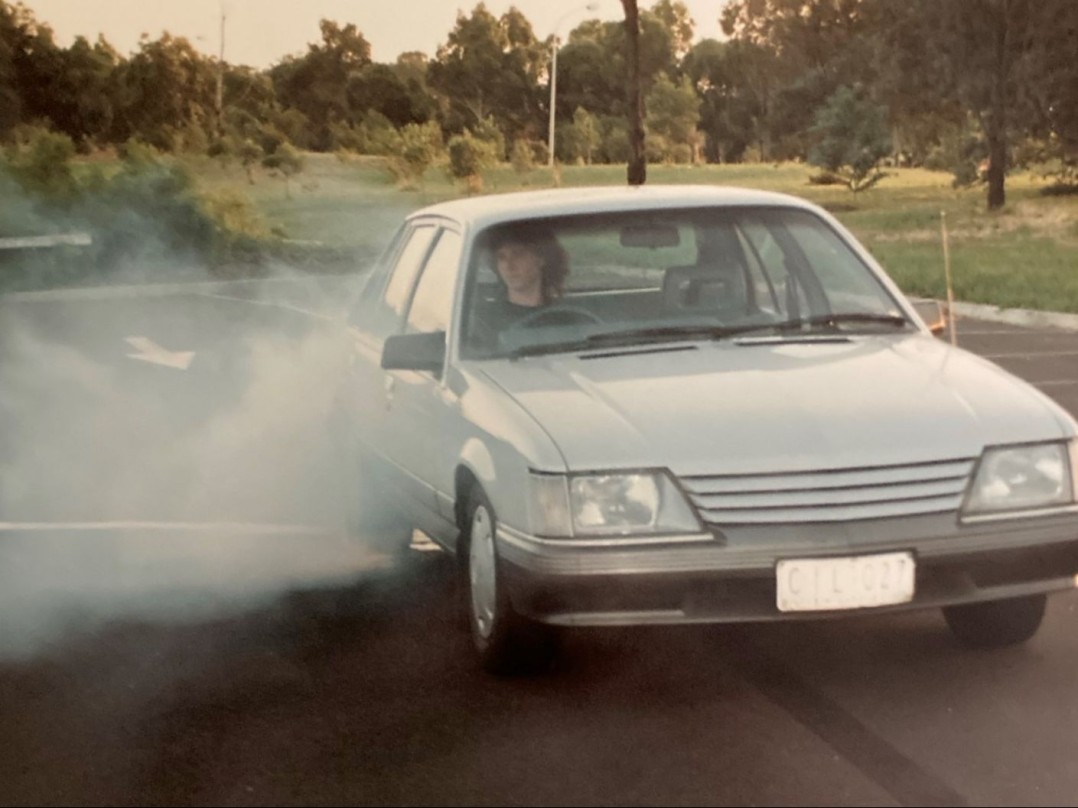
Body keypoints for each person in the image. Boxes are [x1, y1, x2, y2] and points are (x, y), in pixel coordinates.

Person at [467, 224, 570, 350]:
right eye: (501, 257)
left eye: (518, 254)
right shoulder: (483, 320)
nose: (509, 265)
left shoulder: (565, 314)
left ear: (541, 259)